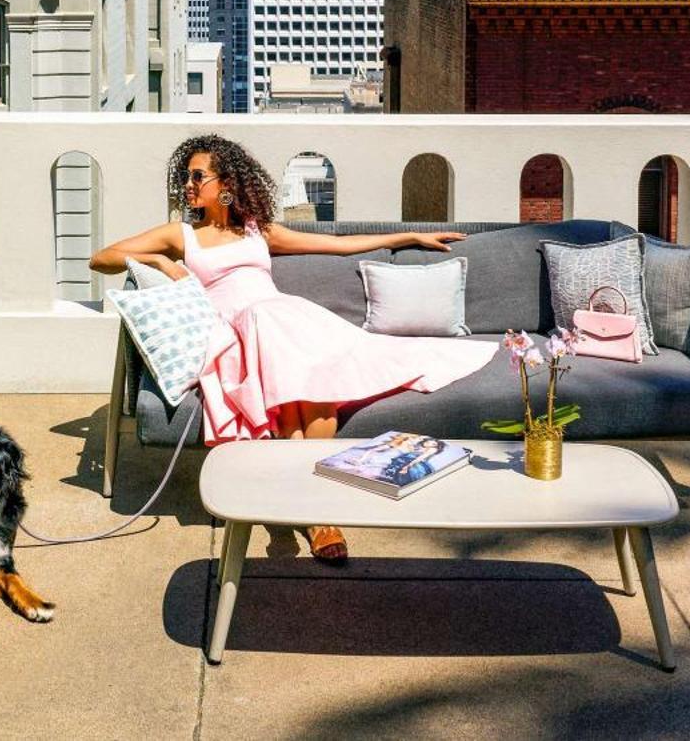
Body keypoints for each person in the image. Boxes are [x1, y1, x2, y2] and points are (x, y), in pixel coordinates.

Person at [90, 134, 496, 564]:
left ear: (226, 181)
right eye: (185, 177)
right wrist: (158, 260)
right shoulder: (182, 234)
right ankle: (317, 514)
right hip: (238, 334)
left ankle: (310, 508)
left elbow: (338, 244)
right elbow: (101, 258)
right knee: (274, 337)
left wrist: (407, 236)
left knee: (316, 403)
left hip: (284, 322)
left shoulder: (257, 231)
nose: (188, 185)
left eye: (197, 176)